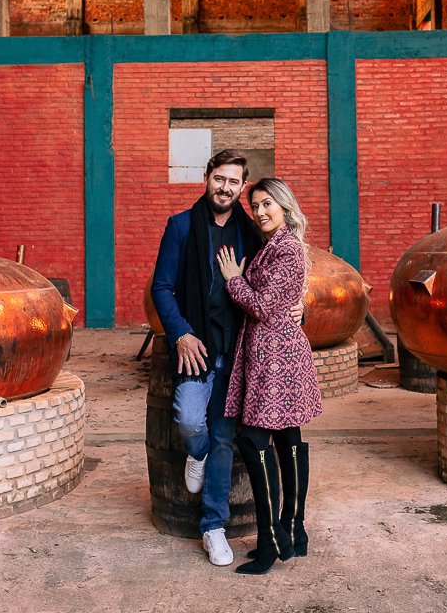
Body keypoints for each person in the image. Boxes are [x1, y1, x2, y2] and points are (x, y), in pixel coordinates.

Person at [150, 150, 302, 567]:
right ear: (207, 177)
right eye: (220, 178)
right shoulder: (181, 226)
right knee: (189, 421)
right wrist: (180, 334)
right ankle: (194, 452)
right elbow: (161, 287)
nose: (225, 188)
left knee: (222, 438)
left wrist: (298, 307)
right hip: (197, 348)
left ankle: (212, 527)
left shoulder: (251, 231)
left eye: (234, 182)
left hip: (237, 353)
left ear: (241, 187)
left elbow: (278, 279)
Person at [216, 177, 323, 575]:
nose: (260, 212)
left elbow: (262, 306)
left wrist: (233, 279)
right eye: (256, 206)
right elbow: (282, 300)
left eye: (267, 204)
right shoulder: (274, 245)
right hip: (274, 355)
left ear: (283, 205)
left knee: (253, 440)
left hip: (276, 360)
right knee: (288, 438)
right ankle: (293, 531)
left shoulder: (286, 248)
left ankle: (271, 542)